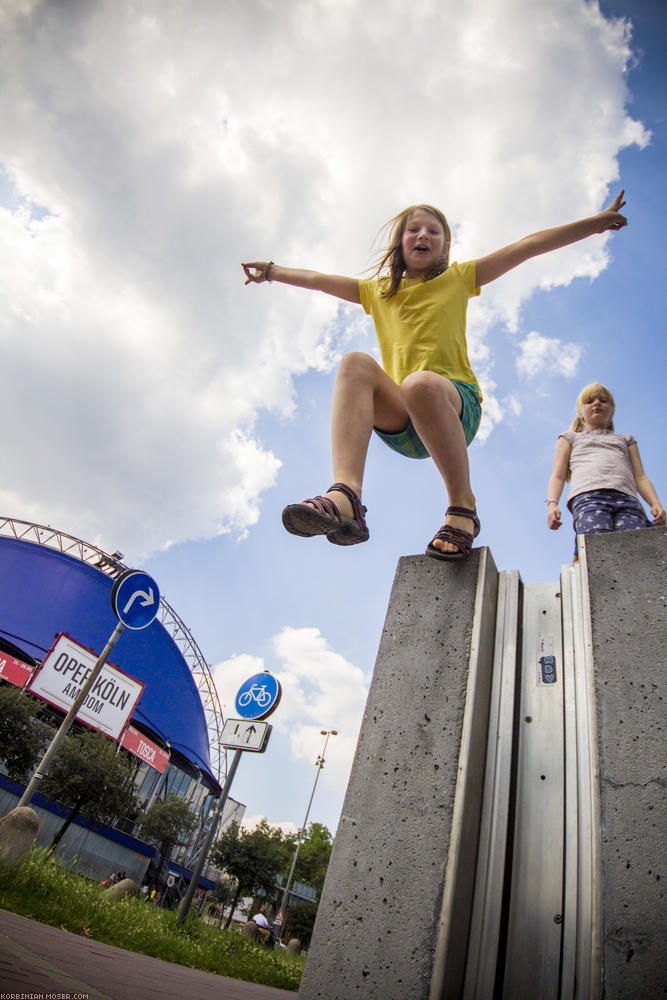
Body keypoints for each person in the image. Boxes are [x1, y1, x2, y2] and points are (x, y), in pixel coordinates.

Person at [243, 193, 628, 560]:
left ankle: (462, 506)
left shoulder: (460, 278)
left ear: (445, 246)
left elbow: (527, 246)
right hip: (404, 420)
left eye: (434, 230)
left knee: (420, 384)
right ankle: (347, 497)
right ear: (400, 243)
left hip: (455, 407)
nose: (423, 235)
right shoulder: (376, 292)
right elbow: (318, 279)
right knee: (354, 363)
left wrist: (595, 223)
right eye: (413, 229)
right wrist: (273, 272)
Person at [546, 382, 665, 560]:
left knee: (636, 548)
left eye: (603, 400)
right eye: (590, 401)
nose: (597, 403)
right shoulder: (571, 438)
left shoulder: (626, 440)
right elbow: (558, 475)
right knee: (597, 548)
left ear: (612, 410)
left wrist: (655, 504)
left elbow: (640, 476)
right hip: (589, 498)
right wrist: (552, 504)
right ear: (580, 413)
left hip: (628, 501)